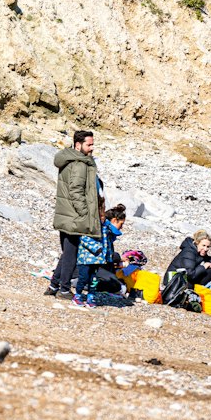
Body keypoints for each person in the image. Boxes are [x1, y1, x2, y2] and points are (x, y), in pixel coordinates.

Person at [45, 130, 102, 299]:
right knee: (71, 254)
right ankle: (64, 289)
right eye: (88, 144)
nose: (92, 148)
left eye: (92, 144)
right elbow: (76, 191)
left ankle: (54, 286)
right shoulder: (79, 164)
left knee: (68, 252)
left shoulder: (71, 159)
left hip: (67, 214)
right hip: (74, 217)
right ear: (78, 145)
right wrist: (85, 213)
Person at [74, 204, 126, 307]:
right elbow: (84, 237)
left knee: (94, 279)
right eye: (121, 224)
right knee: (83, 277)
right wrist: (96, 248)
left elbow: (108, 246)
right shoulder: (98, 226)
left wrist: (109, 257)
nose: (122, 227)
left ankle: (91, 296)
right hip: (86, 258)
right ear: (114, 220)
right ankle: (78, 295)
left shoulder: (108, 231)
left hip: (98, 260)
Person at [161, 231, 211, 313]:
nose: (205, 249)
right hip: (174, 282)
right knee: (207, 268)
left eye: (208, 247)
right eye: (203, 245)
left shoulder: (198, 252)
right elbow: (190, 274)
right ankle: (197, 293)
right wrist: (204, 266)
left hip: (185, 279)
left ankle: (199, 292)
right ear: (196, 243)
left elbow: (207, 259)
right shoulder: (188, 252)